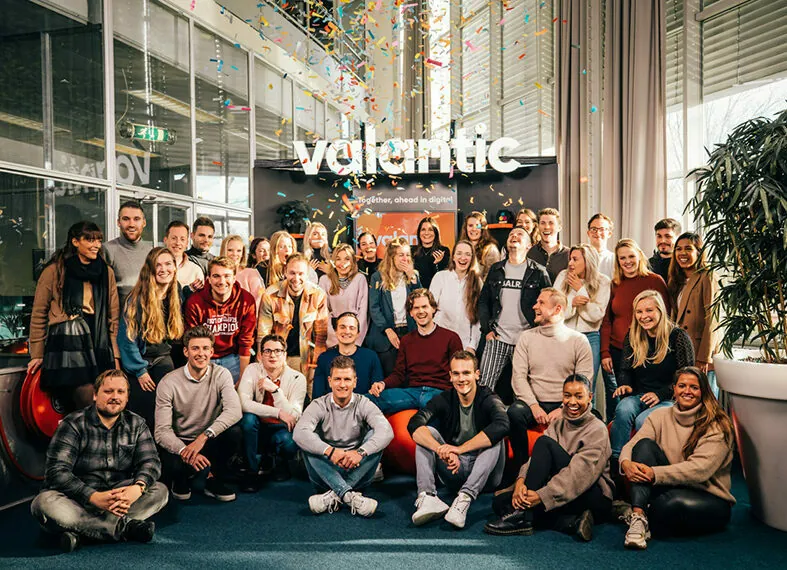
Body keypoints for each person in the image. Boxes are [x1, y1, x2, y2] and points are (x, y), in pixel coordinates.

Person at [30, 369, 168, 552]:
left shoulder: (137, 424)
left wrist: (138, 488)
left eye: (120, 392)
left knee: (160, 490)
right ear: (95, 395)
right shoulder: (73, 424)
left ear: (127, 397)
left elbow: (150, 461)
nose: (115, 397)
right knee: (43, 503)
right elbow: (57, 472)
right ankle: (124, 528)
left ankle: (81, 532)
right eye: (108, 391)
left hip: (118, 495)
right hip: (78, 499)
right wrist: (92, 497)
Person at [484, 374, 614, 541]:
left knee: (544, 443)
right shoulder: (558, 424)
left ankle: (524, 516)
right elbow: (535, 459)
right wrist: (521, 482)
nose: (572, 402)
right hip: (563, 489)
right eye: (567, 395)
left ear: (590, 397)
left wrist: (541, 496)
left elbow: (578, 475)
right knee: (500, 502)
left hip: (594, 496)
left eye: (578, 396)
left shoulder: (597, 429)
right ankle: (571, 522)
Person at [620, 366, 735, 549]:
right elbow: (633, 444)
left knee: (668, 505)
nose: (687, 391)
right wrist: (625, 463)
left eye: (694, 387)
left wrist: (654, 474)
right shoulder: (659, 415)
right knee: (644, 446)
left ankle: (636, 510)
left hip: (708, 497)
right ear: (674, 389)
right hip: (671, 483)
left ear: (703, 391)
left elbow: (699, 469)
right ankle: (639, 515)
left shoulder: (717, 424)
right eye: (682, 385)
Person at [408, 350, 509, 529]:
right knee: (427, 432)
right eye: (456, 373)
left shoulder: (488, 398)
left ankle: (464, 499)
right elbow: (415, 423)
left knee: (495, 437)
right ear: (450, 376)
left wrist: (458, 449)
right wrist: (442, 449)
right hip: (454, 470)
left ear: (477, 375)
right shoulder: (445, 399)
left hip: (486, 475)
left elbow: (503, 425)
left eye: (466, 373)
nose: (461, 379)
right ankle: (428, 497)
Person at [28, 221, 120, 413]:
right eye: (90, 239)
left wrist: (116, 354)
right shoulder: (55, 270)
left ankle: (90, 439)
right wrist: (36, 353)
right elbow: (39, 313)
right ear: (75, 242)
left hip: (97, 338)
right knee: (85, 397)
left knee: (102, 396)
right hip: (68, 340)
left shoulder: (106, 272)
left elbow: (113, 317)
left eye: (98, 240)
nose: (96, 245)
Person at [293, 356, 394, 517]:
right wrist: (331, 452)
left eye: (347, 379)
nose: (342, 384)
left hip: (357, 471)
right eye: (337, 379)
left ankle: (335, 495)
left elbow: (387, 431)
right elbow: (299, 433)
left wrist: (360, 452)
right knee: (308, 440)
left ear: (355, 381)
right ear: (329, 381)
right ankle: (349, 496)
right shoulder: (319, 404)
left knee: (376, 436)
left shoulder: (364, 403)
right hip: (325, 475)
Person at [507, 289, 594, 470]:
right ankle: (521, 471)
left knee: (595, 417)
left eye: (541, 303)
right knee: (514, 412)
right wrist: (533, 405)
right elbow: (519, 377)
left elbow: (584, 380)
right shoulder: (527, 337)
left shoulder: (578, 340)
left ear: (557, 309)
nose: (534, 306)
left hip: (565, 402)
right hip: (533, 404)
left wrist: (564, 408)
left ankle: (574, 474)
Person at [154, 325, 243, 502]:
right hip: (180, 443)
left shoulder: (221, 374)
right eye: (195, 348)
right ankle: (182, 477)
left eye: (205, 348)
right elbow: (161, 431)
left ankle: (212, 477)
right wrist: (185, 450)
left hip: (208, 440)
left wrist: (203, 438)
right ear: (186, 352)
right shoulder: (169, 382)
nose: (200, 353)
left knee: (235, 433)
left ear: (211, 352)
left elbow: (235, 411)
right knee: (180, 488)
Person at [610, 290, 695, 461]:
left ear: (660, 311)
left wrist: (660, 394)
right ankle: (617, 460)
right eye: (639, 312)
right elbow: (625, 369)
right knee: (623, 408)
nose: (644, 316)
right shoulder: (633, 336)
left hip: (670, 398)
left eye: (649, 310)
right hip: (640, 396)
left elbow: (688, 379)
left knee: (644, 420)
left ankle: (642, 461)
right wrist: (625, 384)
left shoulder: (678, 337)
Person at [600, 239, 670, 418]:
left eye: (631, 256)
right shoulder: (615, 283)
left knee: (644, 400)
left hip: (646, 350)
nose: (627, 261)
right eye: (622, 258)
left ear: (639, 256)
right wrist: (605, 352)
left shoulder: (654, 281)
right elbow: (607, 320)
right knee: (621, 399)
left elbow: (666, 317)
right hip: (617, 350)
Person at [118, 247, 184, 429]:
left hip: (164, 358)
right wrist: (140, 370)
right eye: (158, 265)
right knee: (144, 414)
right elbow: (126, 339)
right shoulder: (136, 299)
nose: (164, 269)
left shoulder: (176, 292)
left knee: (167, 412)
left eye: (168, 264)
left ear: (175, 267)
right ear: (150, 270)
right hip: (140, 361)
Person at [478, 228, 551, 391]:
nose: (514, 236)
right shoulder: (496, 269)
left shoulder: (538, 272)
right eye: (511, 234)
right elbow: (483, 301)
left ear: (528, 245)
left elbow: (549, 305)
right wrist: (486, 330)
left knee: (528, 389)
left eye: (519, 235)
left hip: (526, 340)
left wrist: (540, 334)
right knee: (483, 387)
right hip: (498, 338)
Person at [368, 289, 463, 414]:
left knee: (430, 415)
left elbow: (459, 372)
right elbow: (399, 374)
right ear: (411, 313)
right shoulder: (406, 341)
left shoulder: (451, 338)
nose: (421, 311)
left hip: (439, 392)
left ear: (433, 309)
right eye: (416, 308)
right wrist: (382, 384)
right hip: (412, 393)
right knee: (366, 401)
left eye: (425, 307)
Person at [238, 334, 306, 489]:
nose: (272, 355)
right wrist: (278, 412)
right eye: (267, 351)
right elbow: (243, 403)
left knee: (289, 442)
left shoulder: (298, 378)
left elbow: (294, 416)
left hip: (280, 429)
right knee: (247, 420)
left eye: (278, 351)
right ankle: (252, 471)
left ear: (285, 355)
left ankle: (278, 461)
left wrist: (276, 391)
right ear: (260, 355)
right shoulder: (252, 370)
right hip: (258, 427)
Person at [258, 253, 329, 395]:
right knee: (278, 404)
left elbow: (321, 336)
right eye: (292, 273)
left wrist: (315, 366)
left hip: (305, 360)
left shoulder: (318, 294)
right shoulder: (270, 295)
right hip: (278, 359)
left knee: (307, 405)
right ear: (285, 271)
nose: (296, 279)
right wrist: (264, 365)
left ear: (307, 273)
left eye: (301, 273)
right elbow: (263, 335)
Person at [184, 256, 257, 383]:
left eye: (227, 276)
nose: (222, 281)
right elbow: (192, 340)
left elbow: (246, 341)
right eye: (216, 276)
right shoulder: (195, 302)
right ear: (209, 279)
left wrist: (242, 378)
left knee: (235, 399)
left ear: (234, 278)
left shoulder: (246, 300)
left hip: (234, 357)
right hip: (205, 357)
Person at [553, 244, 611, 390]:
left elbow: (596, 315)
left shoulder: (603, 281)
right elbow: (554, 310)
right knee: (563, 384)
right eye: (570, 259)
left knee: (586, 387)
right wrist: (572, 304)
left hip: (590, 338)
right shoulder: (562, 276)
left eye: (575, 259)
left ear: (588, 261)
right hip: (564, 336)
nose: (570, 263)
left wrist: (580, 289)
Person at [365, 237, 422, 376]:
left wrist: (412, 278)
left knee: (409, 376)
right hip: (386, 337)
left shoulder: (413, 276)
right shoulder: (378, 277)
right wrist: (387, 329)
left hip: (409, 333)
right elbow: (374, 307)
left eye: (407, 255)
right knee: (390, 376)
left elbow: (421, 301)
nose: (405, 259)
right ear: (392, 257)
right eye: (401, 255)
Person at [667, 232, 718, 374]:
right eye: (678, 249)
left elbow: (714, 319)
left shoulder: (708, 276)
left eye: (688, 249)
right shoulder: (675, 280)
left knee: (705, 394)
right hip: (681, 349)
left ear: (699, 252)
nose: (682, 253)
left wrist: (704, 357)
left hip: (700, 351)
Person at [313, 312, 383, 399]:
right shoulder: (324, 358)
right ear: (335, 331)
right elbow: (317, 396)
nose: (347, 331)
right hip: (331, 409)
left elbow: (376, 393)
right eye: (342, 327)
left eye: (352, 328)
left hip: (363, 409)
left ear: (358, 333)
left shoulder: (371, 357)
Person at [429, 240, 483, 352]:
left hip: (464, 345)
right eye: (459, 253)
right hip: (439, 343)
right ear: (453, 257)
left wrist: (472, 346)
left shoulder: (477, 282)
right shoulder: (440, 277)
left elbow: (477, 319)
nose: (463, 257)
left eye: (467, 254)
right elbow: (430, 311)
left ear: (472, 259)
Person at [103, 201, 153, 306]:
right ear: (118, 222)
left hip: (148, 317)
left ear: (144, 223)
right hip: (119, 319)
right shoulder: (107, 250)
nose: (131, 224)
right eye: (126, 219)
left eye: (136, 219)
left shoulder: (151, 252)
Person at [318, 244, 369, 347]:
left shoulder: (360, 279)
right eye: (338, 259)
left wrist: (355, 341)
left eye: (347, 259)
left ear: (353, 262)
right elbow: (323, 312)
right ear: (333, 262)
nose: (342, 263)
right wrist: (333, 339)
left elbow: (363, 313)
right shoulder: (324, 280)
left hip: (355, 333)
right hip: (333, 333)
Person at [220, 234, 266, 311]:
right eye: (230, 250)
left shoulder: (251, 273)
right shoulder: (215, 274)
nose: (235, 254)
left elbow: (259, 302)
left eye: (239, 251)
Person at [526, 208, 570, 282]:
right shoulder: (529, 253)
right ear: (538, 227)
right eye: (543, 223)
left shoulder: (569, 255)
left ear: (559, 227)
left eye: (551, 223)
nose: (546, 227)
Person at [162, 221, 205, 291]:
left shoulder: (195, 271)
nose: (178, 243)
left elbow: (200, 299)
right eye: (174, 238)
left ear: (187, 243)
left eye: (182, 239)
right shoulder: (154, 267)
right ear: (165, 240)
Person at [460, 210, 500, 280]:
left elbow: (492, 276)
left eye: (477, 226)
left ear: (483, 229)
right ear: (465, 228)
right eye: (470, 225)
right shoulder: (460, 247)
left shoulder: (491, 249)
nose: (474, 229)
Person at [412, 216, 451, 289]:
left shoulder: (443, 251)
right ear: (419, 233)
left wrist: (436, 264)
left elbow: (444, 280)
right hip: (415, 293)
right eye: (423, 229)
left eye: (430, 230)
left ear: (436, 232)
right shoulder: (412, 251)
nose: (426, 233)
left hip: (435, 293)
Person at [648, 218, 681, 283]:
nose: (662, 241)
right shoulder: (647, 265)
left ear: (678, 238)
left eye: (668, 236)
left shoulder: (682, 264)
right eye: (659, 236)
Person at [586, 213, 615, 279]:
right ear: (588, 233)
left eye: (602, 229)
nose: (597, 233)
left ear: (609, 234)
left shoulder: (614, 259)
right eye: (594, 229)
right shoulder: (579, 258)